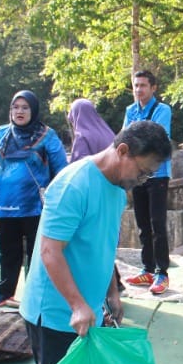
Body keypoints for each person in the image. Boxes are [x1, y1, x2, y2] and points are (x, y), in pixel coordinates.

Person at [20, 120, 171, 364]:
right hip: (53, 311)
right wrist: (77, 304)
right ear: (122, 152)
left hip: (87, 307)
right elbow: (51, 252)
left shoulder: (117, 190)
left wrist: (110, 292)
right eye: (142, 171)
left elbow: (102, 246)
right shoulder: (74, 185)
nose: (142, 180)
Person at [0, 91, 67, 308]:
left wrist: (57, 198)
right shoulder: (1, 134)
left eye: (25, 107)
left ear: (34, 110)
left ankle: (35, 294)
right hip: (4, 206)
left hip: (36, 207)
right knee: (8, 252)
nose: (19, 111)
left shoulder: (47, 135)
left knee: (38, 253)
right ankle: (4, 292)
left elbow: (61, 169)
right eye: (15, 107)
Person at [66, 97, 123, 318]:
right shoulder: (110, 134)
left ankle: (97, 296)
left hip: (91, 198)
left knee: (90, 245)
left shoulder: (82, 136)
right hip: (113, 196)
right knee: (106, 244)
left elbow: (77, 168)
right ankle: (114, 289)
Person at [122, 70, 174, 295]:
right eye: (136, 85)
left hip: (157, 173)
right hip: (137, 173)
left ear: (153, 88)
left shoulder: (163, 110)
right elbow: (124, 138)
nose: (139, 89)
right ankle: (147, 268)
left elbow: (157, 139)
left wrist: (135, 140)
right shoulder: (130, 110)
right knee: (142, 223)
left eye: (143, 85)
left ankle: (162, 272)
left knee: (157, 224)